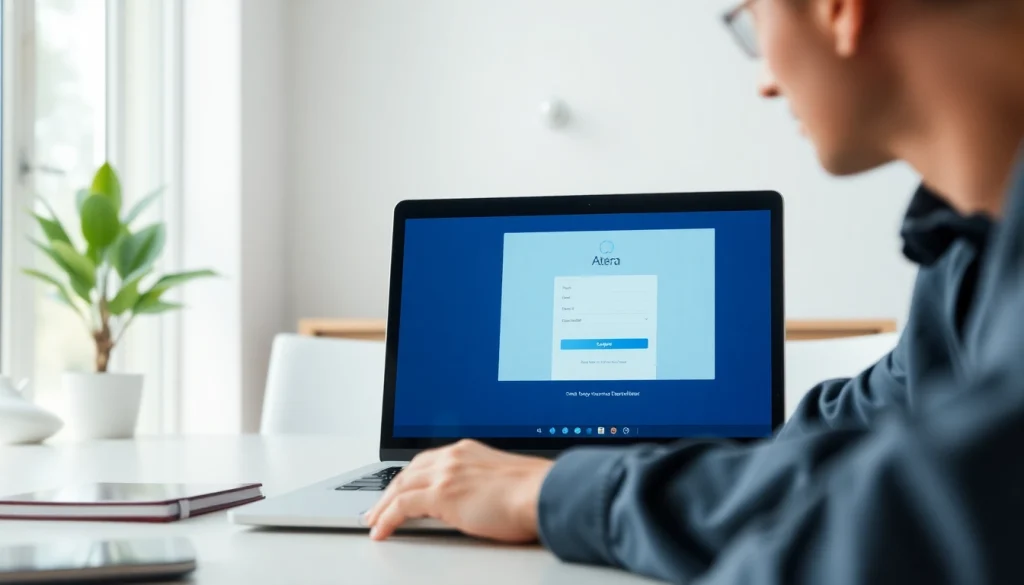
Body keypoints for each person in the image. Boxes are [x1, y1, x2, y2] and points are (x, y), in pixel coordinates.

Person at [365, 0, 1024, 582]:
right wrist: (559, 489)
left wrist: (554, 494)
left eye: (753, 22)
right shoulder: (967, 251)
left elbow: (880, 529)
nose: (766, 81)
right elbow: (848, 453)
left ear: (838, 10)